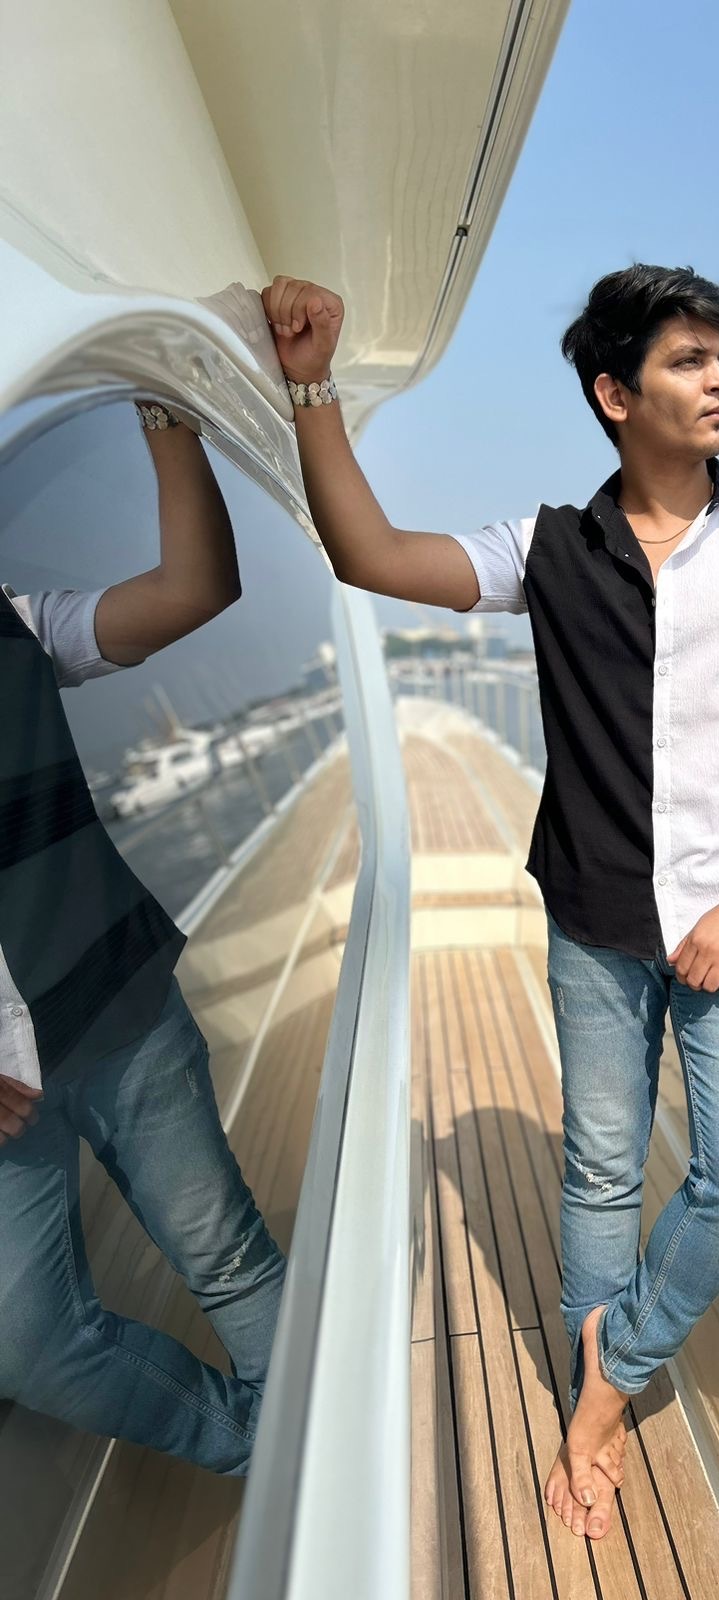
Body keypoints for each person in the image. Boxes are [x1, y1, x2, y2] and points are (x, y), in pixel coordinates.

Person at [260, 263, 719, 1539]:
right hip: (593, 916)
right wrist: (312, 387)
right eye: (688, 361)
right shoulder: (547, 548)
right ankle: (593, 1400)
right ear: (615, 394)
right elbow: (371, 554)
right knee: (599, 1166)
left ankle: (609, 1379)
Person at [0, 401, 286, 1476]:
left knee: (228, 1257)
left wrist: (164, 405)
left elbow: (195, 587)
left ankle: (309, 1467)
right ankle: (256, 1446)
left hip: (119, 1005)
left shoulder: (13, 622)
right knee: (32, 1345)